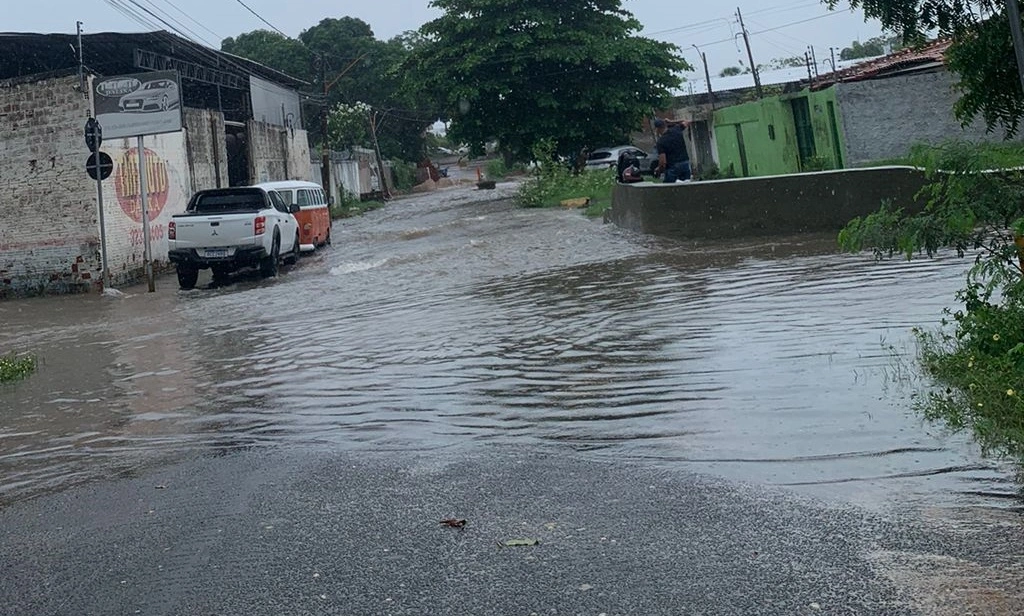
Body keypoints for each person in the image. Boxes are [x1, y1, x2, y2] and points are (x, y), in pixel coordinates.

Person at [653, 118, 692, 183]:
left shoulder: (661, 142)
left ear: (657, 129)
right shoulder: (677, 129)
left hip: (673, 168)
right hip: (685, 164)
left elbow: (663, 162)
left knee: (669, 188)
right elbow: (687, 121)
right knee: (686, 186)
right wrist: (671, 121)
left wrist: (658, 170)